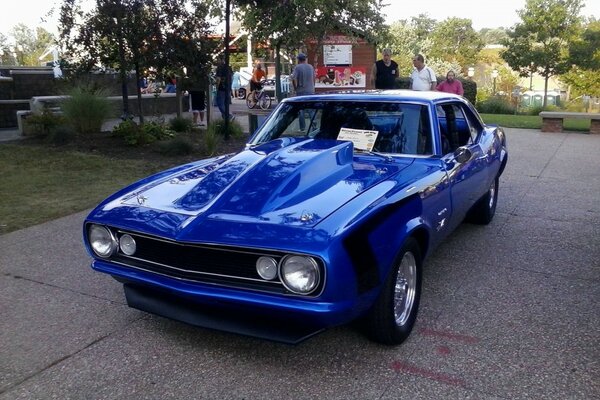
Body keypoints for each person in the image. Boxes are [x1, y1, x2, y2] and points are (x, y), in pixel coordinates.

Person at [290, 53, 315, 131]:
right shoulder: (311, 67)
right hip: (311, 90)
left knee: (301, 110)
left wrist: (295, 88)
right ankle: (314, 126)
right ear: (305, 59)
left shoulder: (297, 67)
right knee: (311, 109)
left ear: (298, 60)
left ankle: (302, 128)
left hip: (301, 91)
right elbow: (314, 78)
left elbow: (294, 78)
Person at [215, 56, 234, 121]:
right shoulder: (228, 67)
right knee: (225, 104)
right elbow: (231, 77)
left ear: (221, 59)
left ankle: (229, 116)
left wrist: (217, 87)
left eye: (218, 59)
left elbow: (218, 79)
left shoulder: (219, 67)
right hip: (228, 88)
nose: (217, 61)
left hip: (222, 88)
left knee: (220, 103)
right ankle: (226, 119)